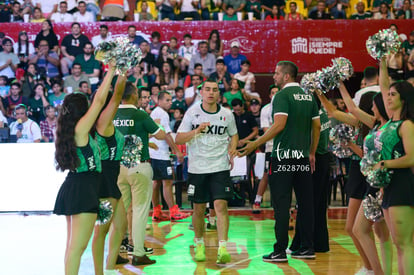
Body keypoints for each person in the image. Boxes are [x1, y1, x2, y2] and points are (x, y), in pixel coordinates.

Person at [239, 61, 320, 262]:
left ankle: (280, 250)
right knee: (305, 204)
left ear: (286, 76)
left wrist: (254, 143)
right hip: (301, 157)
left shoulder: (282, 96)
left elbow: (279, 125)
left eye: (276, 73)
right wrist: (311, 152)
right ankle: (307, 247)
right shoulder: (308, 96)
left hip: (283, 158)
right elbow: (316, 127)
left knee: (281, 205)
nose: (273, 76)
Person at [52, 60, 116, 275]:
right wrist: (112, 70)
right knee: (77, 248)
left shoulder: (72, 130)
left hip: (77, 185)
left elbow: (97, 102)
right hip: (83, 189)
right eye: (87, 108)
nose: (91, 110)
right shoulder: (80, 130)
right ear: (82, 111)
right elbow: (99, 102)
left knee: (72, 248)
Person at [176, 79, 238, 264]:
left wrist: (232, 150)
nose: (211, 93)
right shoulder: (192, 113)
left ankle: (223, 248)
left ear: (219, 94)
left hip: (220, 167)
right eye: (207, 90)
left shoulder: (227, 114)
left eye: (215, 90)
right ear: (201, 92)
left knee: (221, 206)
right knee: (199, 209)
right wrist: (197, 131)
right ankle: (199, 244)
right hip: (197, 168)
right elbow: (179, 138)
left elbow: (234, 135)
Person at [114, 83, 165, 266]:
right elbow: (160, 135)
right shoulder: (141, 114)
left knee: (120, 212)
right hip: (138, 166)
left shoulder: (112, 114)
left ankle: (115, 251)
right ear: (134, 95)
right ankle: (138, 252)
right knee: (140, 211)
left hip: (117, 168)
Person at [377, 57, 414, 275]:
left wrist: (384, 163)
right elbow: (383, 86)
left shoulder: (407, 124)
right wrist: (382, 62)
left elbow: (411, 158)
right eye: (388, 95)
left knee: (405, 244)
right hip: (389, 186)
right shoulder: (391, 120)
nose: (388, 98)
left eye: (393, 95)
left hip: (402, 185)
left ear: (404, 99)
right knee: (399, 244)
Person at [91, 73, 127, 275]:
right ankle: (100, 273)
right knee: (101, 231)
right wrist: (121, 75)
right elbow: (117, 97)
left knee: (121, 226)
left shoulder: (106, 122)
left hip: (112, 181)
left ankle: (110, 267)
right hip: (104, 181)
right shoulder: (102, 121)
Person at [150, 91, 189, 221]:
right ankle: (174, 212)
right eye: (167, 100)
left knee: (156, 182)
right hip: (160, 154)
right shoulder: (162, 113)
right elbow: (167, 135)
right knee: (167, 182)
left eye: (170, 100)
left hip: (154, 153)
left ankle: (157, 211)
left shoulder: (155, 112)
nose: (170, 102)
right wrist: (177, 151)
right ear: (159, 101)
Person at [253, 84, 279, 212]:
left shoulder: (286, 107)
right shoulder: (265, 109)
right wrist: (278, 130)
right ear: (269, 95)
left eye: (277, 92)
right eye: (273, 92)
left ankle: (283, 203)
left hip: (285, 148)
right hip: (271, 147)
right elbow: (265, 130)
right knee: (266, 174)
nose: (275, 94)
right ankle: (257, 200)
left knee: (287, 175)